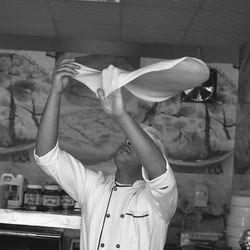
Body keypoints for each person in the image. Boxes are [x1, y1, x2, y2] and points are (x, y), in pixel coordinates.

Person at [34, 58, 178, 250]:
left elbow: (159, 171)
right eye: (128, 140)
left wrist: (121, 116)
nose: (128, 143)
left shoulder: (159, 201)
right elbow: (47, 156)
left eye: (136, 143)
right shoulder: (94, 188)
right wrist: (55, 92)